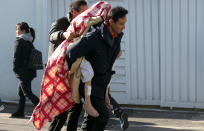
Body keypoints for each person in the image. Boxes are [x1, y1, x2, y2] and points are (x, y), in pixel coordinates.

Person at [66, 6, 128, 131]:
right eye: (121, 23)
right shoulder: (94, 37)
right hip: (89, 83)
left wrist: (106, 91)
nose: (124, 27)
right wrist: (79, 71)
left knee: (92, 119)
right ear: (111, 22)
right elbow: (71, 52)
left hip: (101, 83)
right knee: (102, 115)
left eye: (125, 23)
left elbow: (109, 65)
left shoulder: (116, 38)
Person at [48, 1, 95, 131]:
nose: (87, 15)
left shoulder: (86, 25)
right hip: (60, 71)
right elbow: (51, 36)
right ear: (75, 12)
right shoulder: (61, 22)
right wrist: (63, 34)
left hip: (77, 71)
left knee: (76, 107)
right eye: (83, 12)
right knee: (60, 113)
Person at [11, 22, 39, 118]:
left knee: (27, 93)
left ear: (22, 31)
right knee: (21, 92)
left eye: (18, 29)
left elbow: (16, 58)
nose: (16, 31)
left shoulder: (19, 42)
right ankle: (20, 111)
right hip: (30, 71)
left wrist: (15, 69)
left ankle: (43, 110)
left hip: (23, 72)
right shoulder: (29, 41)